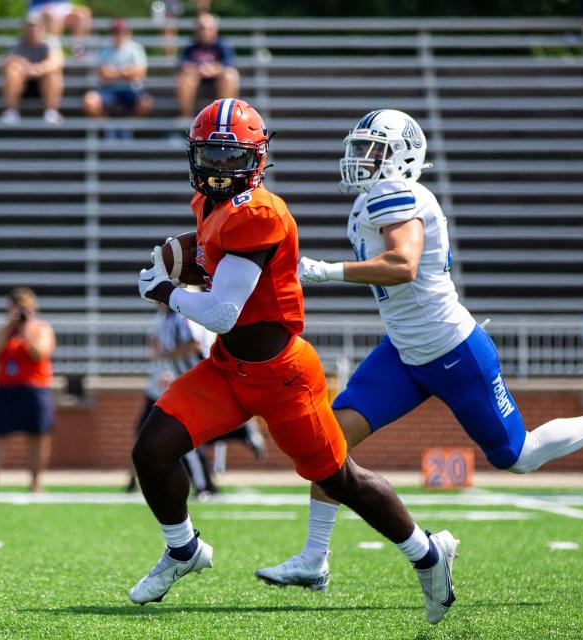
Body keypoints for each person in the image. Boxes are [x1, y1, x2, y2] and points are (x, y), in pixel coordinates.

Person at [254, 109, 583, 591]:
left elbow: (403, 264)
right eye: (360, 147)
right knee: (329, 440)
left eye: (373, 150)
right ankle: (314, 559)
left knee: (520, 456)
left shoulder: (396, 193)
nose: (361, 158)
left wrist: (327, 271)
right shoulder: (376, 197)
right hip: (405, 352)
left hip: (453, 352)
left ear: (401, 156)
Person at [132, 98, 459, 625]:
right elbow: (212, 262)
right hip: (228, 369)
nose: (218, 168)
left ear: (255, 159)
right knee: (152, 449)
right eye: (210, 156)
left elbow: (220, 311)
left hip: (283, 376)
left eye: (229, 156)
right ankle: (182, 550)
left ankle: (426, 552)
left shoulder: (260, 213)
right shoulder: (210, 204)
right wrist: (186, 254)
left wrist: (165, 290)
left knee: (340, 479)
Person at [126, 302, 265, 496]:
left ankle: (205, 484)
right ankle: (206, 484)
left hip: (200, 383)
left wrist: (169, 356)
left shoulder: (182, 318)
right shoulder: (165, 320)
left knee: (183, 436)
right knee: (185, 437)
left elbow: (194, 343)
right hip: (186, 384)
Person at [0, 287, 57, 493]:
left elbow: (39, 354)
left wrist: (25, 330)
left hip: (36, 389)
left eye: (24, 307)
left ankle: (35, 482)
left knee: (38, 436)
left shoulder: (41, 328)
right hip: (5, 388)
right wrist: (11, 326)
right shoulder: (4, 330)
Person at [83, 19, 153, 129]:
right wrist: (127, 72)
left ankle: (127, 128)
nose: (119, 35)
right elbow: (102, 73)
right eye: (115, 32)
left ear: (128, 33)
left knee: (146, 103)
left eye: (122, 32)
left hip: (131, 90)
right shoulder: (104, 49)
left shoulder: (136, 48)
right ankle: (107, 128)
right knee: (90, 101)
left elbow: (140, 73)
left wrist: (114, 73)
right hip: (108, 90)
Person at [0, 18, 65, 126]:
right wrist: (24, 66)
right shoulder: (17, 43)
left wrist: (39, 69)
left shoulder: (51, 42)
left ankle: (51, 112)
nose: (33, 29)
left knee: (53, 74)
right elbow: (6, 61)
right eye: (30, 26)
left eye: (36, 26)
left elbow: (57, 61)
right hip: (22, 85)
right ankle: (11, 111)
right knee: (13, 71)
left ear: (42, 28)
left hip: (44, 86)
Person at [177, 13, 239, 119]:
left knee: (230, 76)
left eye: (208, 29)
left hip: (218, 81)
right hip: (197, 81)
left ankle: (225, 116)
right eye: (201, 28)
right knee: (184, 78)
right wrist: (199, 70)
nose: (204, 32)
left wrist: (214, 70)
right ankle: (187, 116)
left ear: (215, 30)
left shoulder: (223, 45)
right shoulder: (190, 46)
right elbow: (184, 65)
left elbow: (229, 65)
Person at [26, 0, 91, 58]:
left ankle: (78, 50)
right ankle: (55, 51)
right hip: (39, 7)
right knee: (52, 17)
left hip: (60, 7)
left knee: (82, 14)